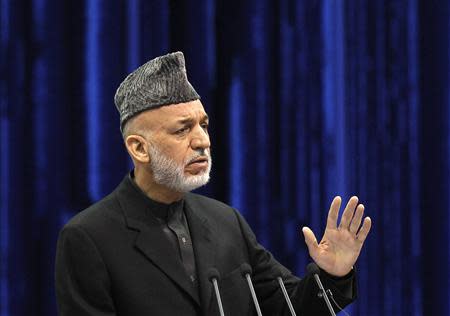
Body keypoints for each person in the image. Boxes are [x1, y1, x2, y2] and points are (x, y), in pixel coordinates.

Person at [55, 52, 372, 315]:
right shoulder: (88, 238)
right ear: (139, 148)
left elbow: (289, 308)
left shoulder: (226, 222)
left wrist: (334, 274)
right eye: (182, 130)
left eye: (203, 125)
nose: (202, 141)